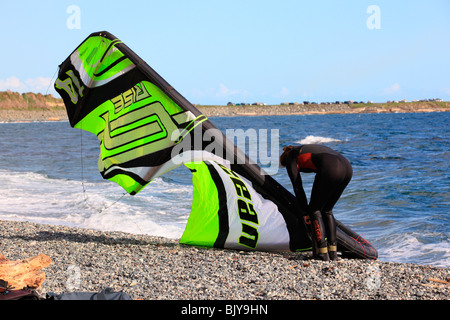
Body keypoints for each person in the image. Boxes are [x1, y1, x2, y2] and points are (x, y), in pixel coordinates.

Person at [279, 144, 353, 261]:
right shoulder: (304, 149)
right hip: (347, 168)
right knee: (327, 210)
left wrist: (304, 212)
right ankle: (333, 253)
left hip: (331, 167)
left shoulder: (291, 157)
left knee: (314, 210)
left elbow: (297, 187)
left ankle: (322, 253)